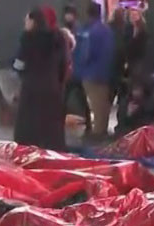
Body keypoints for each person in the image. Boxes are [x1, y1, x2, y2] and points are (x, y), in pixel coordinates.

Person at [13, 8, 67, 151]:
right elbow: (63, 64)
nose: (25, 22)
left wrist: (20, 72)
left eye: (27, 20)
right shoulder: (57, 38)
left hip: (31, 89)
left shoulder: (27, 38)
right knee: (51, 129)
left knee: (29, 129)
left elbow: (19, 64)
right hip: (52, 87)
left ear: (33, 21)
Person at [74, 2, 115, 139]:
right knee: (102, 105)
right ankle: (101, 131)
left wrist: (79, 67)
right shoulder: (106, 30)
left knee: (96, 105)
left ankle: (97, 133)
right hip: (103, 72)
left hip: (89, 73)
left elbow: (84, 54)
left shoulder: (86, 30)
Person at [61, 5, 90, 133]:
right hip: (70, 71)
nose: (68, 17)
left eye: (69, 14)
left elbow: (83, 51)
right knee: (65, 98)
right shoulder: (69, 30)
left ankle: (89, 124)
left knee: (81, 98)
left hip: (76, 71)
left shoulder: (79, 31)